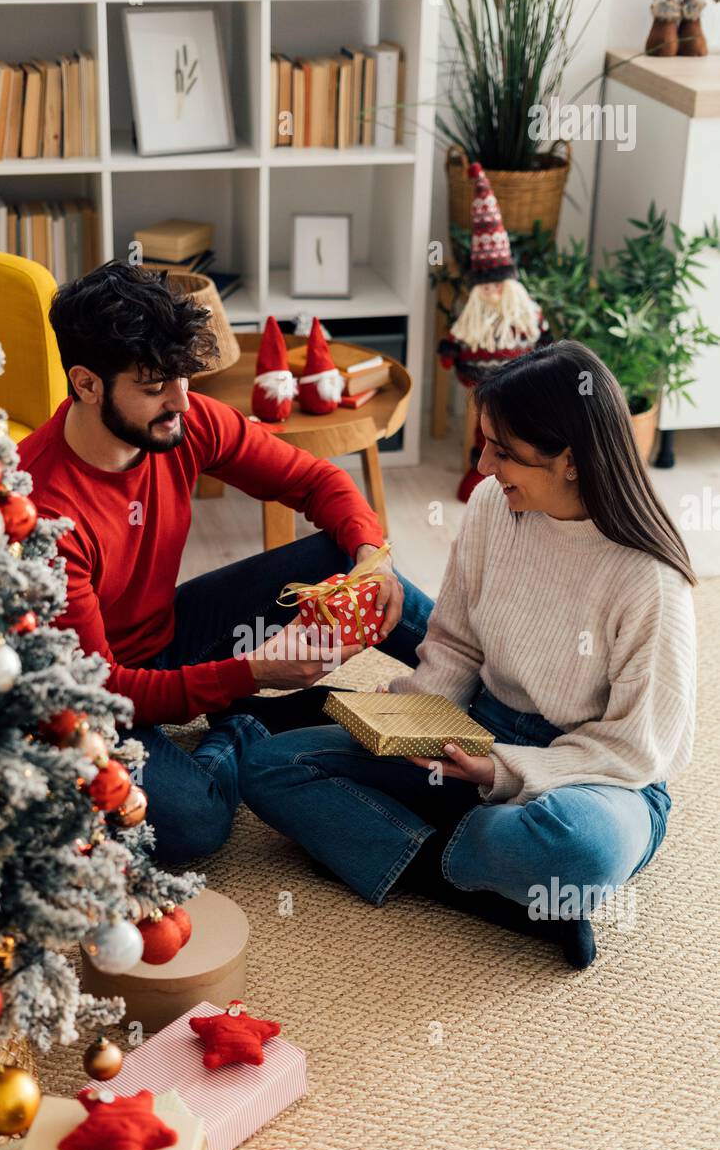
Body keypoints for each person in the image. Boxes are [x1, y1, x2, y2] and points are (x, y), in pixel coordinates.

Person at [238, 341, 697, 969]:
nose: (483, 467)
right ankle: (502, 895)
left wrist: (505, 772)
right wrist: (409, 720)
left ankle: (416, 849)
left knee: (580, 853)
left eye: (503, 453)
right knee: (268, 768)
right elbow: (455, 642)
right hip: (477, 727)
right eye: (485, 444)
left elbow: (637, 751)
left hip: (595, 777)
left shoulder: (648, 579)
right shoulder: (492, 506)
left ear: (570, 459)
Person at [18, 261, 432, 863]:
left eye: (184, 377)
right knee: (192, 824)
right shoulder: (41, 513)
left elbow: (315, 481)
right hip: (82, 696)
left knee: (345, 547)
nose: (182, 401)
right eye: (156, 384)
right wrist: (251, 675)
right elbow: (101, 687)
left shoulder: (184, 422)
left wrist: (373, 553)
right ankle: (243, 726)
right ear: (85, 384)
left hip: (168, 636)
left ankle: (487, 691)